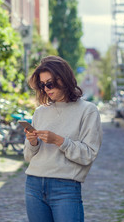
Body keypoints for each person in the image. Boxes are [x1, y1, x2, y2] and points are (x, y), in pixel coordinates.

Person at [23, 55, 102, 222]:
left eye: (50, 83)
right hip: (34, 185)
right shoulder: (40, 112)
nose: (47, 89)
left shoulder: (88, 110)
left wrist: (59, 141)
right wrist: (33, 142)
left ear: (64, 79)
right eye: (43, 85)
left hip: (65, 187)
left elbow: (88, 154)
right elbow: (28, 156)